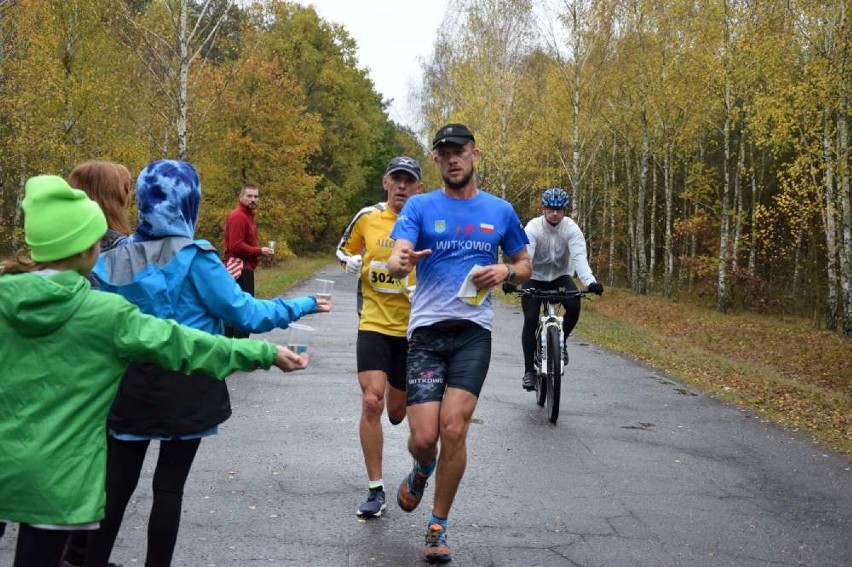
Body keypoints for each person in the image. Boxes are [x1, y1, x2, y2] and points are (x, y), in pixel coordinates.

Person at [0, 175, 307, 567]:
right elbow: (185, 343)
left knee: (119, 489)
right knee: (164, 490)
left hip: (15, 457)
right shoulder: (106, 315)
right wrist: (263, 352)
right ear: (86, 250)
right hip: (60, 480)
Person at [84, 160, 331, 567]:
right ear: (189, 202)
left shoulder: (113, 259)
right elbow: (245, 314)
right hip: (190, 379)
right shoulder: (197, 257)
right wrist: (302, 304)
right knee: (169, 488)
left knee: (116, 487)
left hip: (128, 383)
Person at [387, 123, 531, 563]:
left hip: (473, 333)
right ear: (435, 160)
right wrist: (401, 260)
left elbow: (525, 262)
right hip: (427, 333)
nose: (453, 158)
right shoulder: (421, 207)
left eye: (460, 150)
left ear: (474, 154)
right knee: (424, 436)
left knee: (454, 428)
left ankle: (438, 525)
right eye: (444, 152)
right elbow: (396, 260)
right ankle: (420, 468)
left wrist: (506, 272)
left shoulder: (501, 211)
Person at [336, 156, 424, 518]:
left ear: (419, 186)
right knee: (372, 401)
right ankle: (375, 489)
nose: (402, 185)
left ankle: (400, 412)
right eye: (396, 179)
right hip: (372, 321)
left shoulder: (425, 219)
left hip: (412, 328)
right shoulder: (368, 217)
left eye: (410, 180)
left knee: (396, 412)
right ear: (385, 182)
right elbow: (343, 249)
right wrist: (349, 262)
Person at [63, 160, 135, 567]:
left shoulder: (63, 242)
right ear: (111, 194)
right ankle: (80, 553)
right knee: (99, 467)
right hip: (102, 371)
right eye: (125, 187)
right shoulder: (120, 248)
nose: (131, 195)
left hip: (67, 368)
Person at [511, 187, 604, 391]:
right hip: (533, 276)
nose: (555, 213)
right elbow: (526, 257)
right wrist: (515, 280)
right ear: (544, 208)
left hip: (560, 276)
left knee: (574, 304)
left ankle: (561, 345)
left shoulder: (571, 228)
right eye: (551, 209)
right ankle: (529, 371)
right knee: (530, 317)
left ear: (564, 210)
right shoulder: (533, 227)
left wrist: (590, 282)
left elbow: (579, 257)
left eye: (559, 209)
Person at [223, 185, 274, 337]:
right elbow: (235, 245)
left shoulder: (248, 216)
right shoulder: (238, 216)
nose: (253, 200)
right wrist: (259, 251)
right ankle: (239, 350)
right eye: (249, 196)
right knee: (244, 312)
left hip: (244, 268)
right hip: (238, 269)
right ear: (241, 197)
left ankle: (231, 349)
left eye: (256, 197)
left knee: (236, 311)